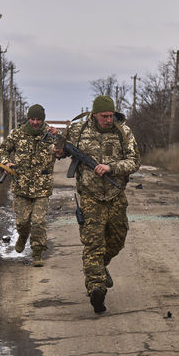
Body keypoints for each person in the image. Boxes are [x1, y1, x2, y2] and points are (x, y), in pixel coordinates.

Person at [60, 95, 139, 313]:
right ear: (94, 114)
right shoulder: (78, 130)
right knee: (93, 244)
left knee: (117, 240)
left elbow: (134, 162)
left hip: (115, 195)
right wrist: (56, 146)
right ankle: (96, 289)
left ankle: (99, 269)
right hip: (90, 197)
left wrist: (111, 168)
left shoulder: (124, 132)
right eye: (104, 116)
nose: (108, 119)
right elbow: (59, 151)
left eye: (110, 115)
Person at [0, 104, 57, 267]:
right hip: (21, 186)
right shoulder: (17, 134)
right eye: (33, 119)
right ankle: (23, 236)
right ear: (28, 118)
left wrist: (59, 136)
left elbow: (65, 150)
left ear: (43, 120)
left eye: (39, 119)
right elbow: (3, 149)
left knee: (38, 222)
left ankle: (37, 253)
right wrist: (6, 162)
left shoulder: (51, 135)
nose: (36, 122)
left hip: (42, 188)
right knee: (22, 222)